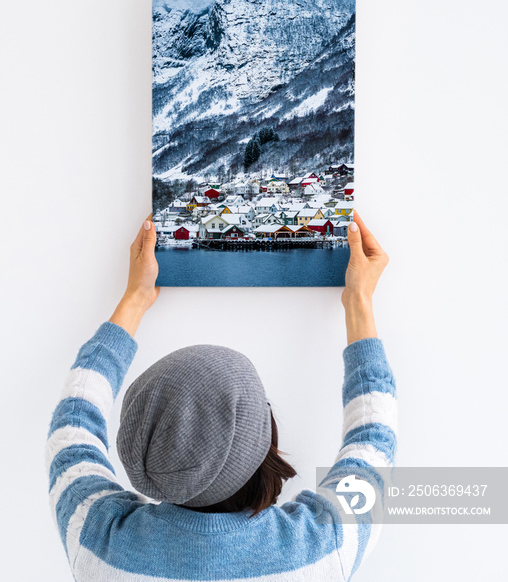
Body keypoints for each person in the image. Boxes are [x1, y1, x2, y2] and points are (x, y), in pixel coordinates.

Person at [45, 211, 396, 581]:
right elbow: (375, 436)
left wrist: (135, 297)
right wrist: (359, 299)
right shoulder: (323, 547)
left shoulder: (96, 540)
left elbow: (73, 421)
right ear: (264, 443)